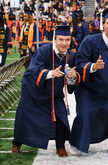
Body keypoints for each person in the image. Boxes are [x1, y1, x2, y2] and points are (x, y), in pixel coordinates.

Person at [12, 23, 79, 157]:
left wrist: (72, 77)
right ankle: (17, 143)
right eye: (61, 39)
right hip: (36, 91)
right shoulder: (44, 50)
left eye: (67, 40)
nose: (64, 43)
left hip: (55, 94)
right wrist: (50, 74)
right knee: (26, 116)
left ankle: (60, 146)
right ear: (55, 39)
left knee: (61, 116)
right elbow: (33, 71)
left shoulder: (71, 56)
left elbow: (73, 79)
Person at [70, 7, 108, 154]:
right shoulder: (90, 40)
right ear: (103, 24)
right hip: (88, 89)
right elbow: (79, 61)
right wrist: (93, 66)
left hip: (107, 89)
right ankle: (76, 143)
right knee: (85, 113)